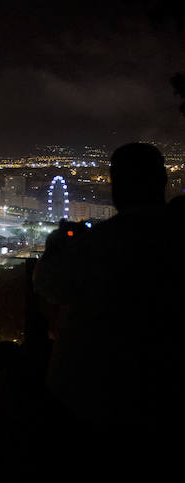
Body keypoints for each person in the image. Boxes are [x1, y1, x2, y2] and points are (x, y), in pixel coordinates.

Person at [34, 143, 184, 477]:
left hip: (92, 395)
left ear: (117, 186)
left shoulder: (99, 242)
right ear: (162, 182)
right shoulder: (177, 238)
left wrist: (55, 249)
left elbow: (49, 285)